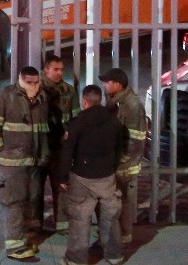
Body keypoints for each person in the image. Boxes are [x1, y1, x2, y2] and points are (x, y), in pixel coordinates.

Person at [0, 66, 50, 261]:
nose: (33, 86)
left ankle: (21, 240)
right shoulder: (5, 96)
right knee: (15, 202)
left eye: (36, 82)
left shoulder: (41, 98)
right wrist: (0, 149)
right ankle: (14, 247)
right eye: (29, 83)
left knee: (28, 201)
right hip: (13, 163)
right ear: (21, 81)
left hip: (33, 161)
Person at [58, 84, 124, 265]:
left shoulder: (78, 122)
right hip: (107, 177)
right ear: (100, 100)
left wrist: (63, 177)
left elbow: (67, 151)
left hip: (82, 178)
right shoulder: (114, 121)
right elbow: (119, 148)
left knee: (80, 219)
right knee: (110, 217)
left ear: (84, 102)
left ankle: (76, 260)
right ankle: (114, 255)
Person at [100, 67, 147, 245]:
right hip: (117, 161)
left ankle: (124, 235)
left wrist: (123, 159)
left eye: (107, 82)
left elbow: (136, 139)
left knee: (122, 201)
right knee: (117, 199)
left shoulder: (132, 105)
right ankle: (118, 234)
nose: (104, 85)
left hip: (125, 164)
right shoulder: (115, 100)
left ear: (117, 85)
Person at [38, 54, 80, 234]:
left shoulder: (69, 91)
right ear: (46, 69)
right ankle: (35, 226)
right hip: (40, 148)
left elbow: (76, 119)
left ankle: (62, 226)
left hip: (59, 150)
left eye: (62, 69)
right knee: (36, 189)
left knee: (61, 188)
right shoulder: (37, 89)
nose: (60, 73)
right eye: (55, 69)